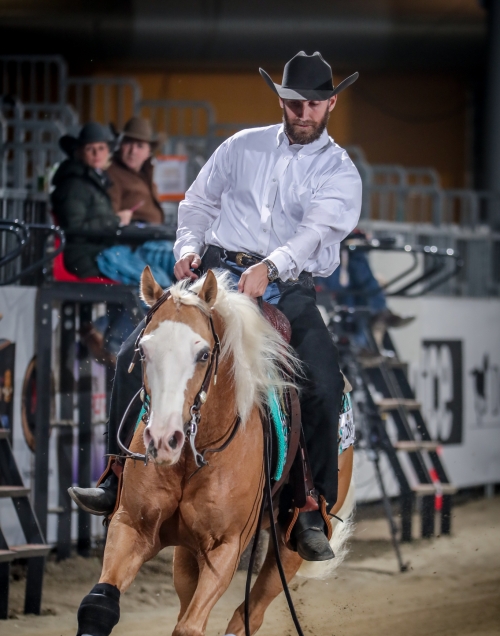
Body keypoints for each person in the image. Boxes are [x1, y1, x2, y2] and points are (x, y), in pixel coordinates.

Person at [70, 51, 362, 563]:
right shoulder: (241, 146)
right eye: (295, 103)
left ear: (330, 104)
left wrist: (270, 267)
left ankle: (309, 506)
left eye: (314, 104)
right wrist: (187, 249)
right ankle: (117, 474)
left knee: (323, 382)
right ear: (282, 101)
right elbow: (198, 203)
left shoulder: (340, 170)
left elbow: (318, 230)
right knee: (133, 354)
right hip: (215, 274)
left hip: (288, 286)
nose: (303, 113)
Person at [51, 122, 174, 288]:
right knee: (157, 286)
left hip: (103, 250)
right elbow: (74, 229)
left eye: (101, 148)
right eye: (90, 149)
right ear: (79, 152)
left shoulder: (94, 181)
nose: (97, 154)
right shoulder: (74, 185)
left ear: (108, 151)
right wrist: (115, 221)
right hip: (89, 255)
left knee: (160, 282)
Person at [107, 116, 165, 225]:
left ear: (148, 152)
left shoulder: (146, 175)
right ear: (120, 146)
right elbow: (111, 217)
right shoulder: (112, 175)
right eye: (128, 143)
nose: (133, 151)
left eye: (140, 146)